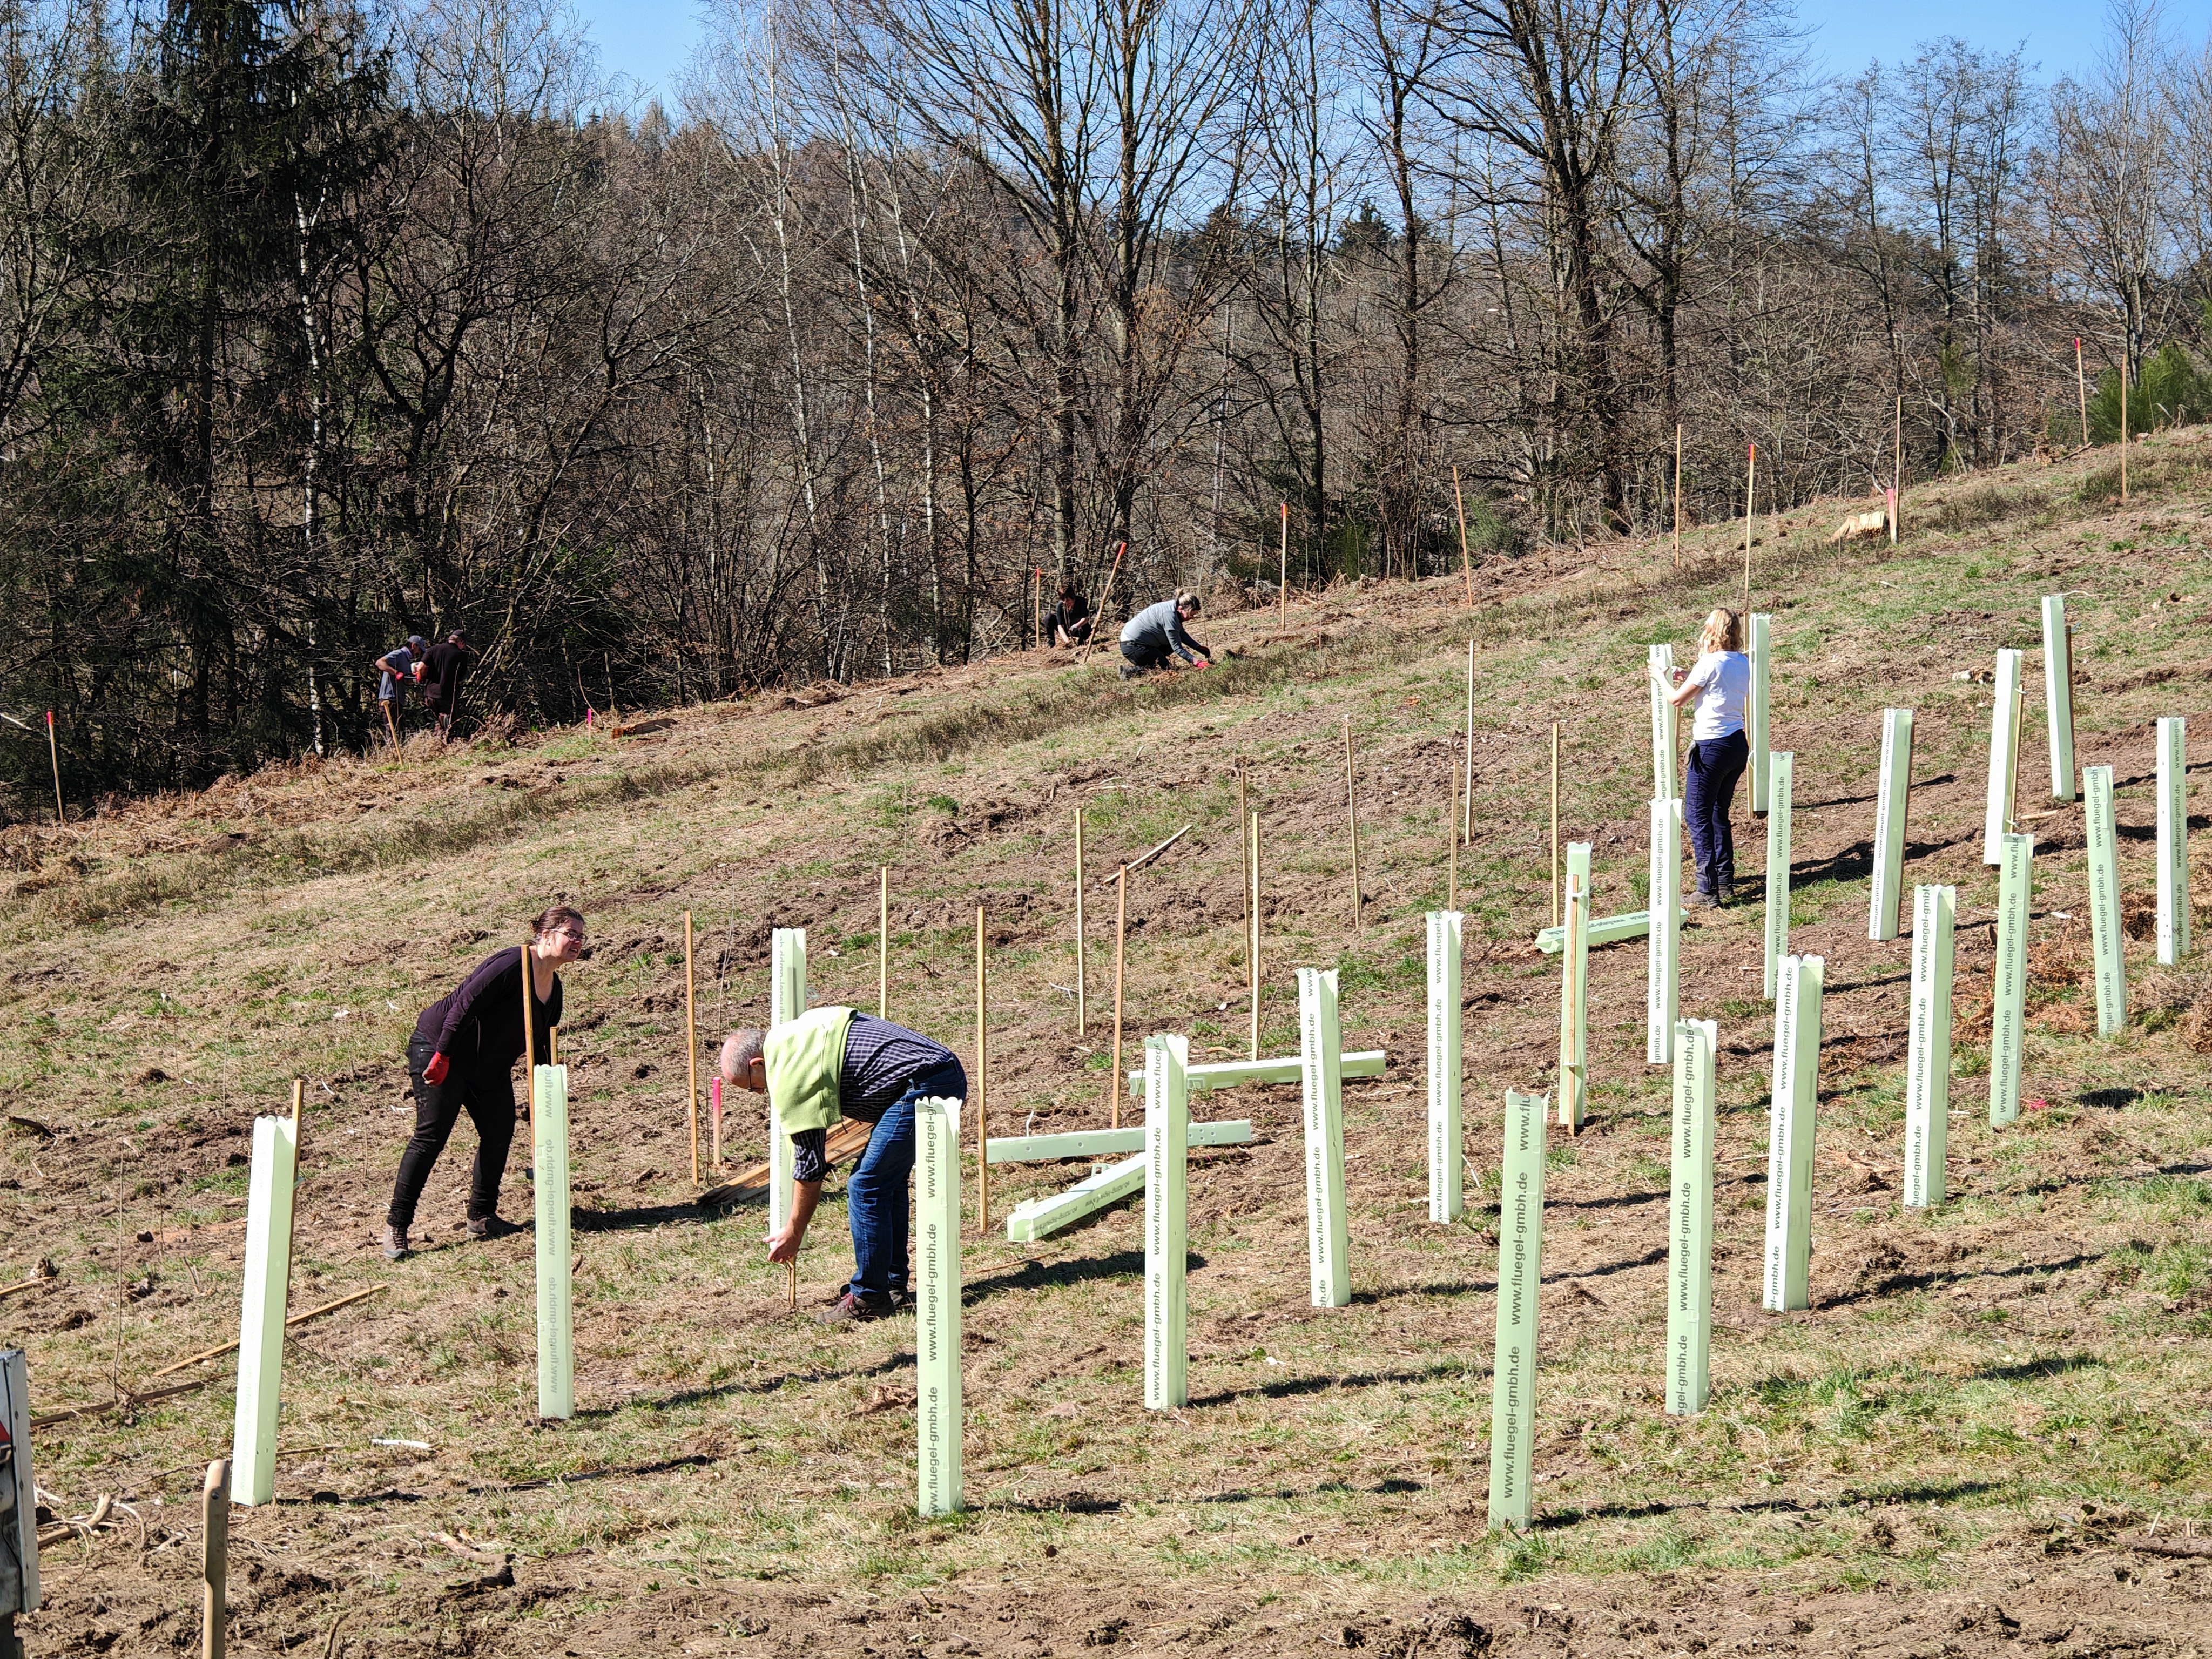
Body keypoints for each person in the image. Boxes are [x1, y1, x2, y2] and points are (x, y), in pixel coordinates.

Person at [720, 1009, 966, 1324]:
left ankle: (869, 1296)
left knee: (866, 1185)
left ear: (758, 1064)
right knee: (885, 1182)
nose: (762, 1094)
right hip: (939, 1071)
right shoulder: (799, 1034)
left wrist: (794, 1232)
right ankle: (889, 1284)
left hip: (925, 1085)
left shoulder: (789, 1070)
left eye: (754, 1088)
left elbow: (810, 1168)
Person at [383, 906, 584, 1259]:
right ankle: (397, 1227)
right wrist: (442, 1055)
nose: (577, 942)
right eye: (571, 934)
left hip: (487, 1068)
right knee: (431, 1137)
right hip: (442, 1049)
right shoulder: (511, 964)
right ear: (546, 933)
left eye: (581, 937)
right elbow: (464, 1005)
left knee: (499, 1130)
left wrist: (547, 1093)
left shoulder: (554, 992)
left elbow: (540, 1049)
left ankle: (481, 1216)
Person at [1660, 607, 1750, 907]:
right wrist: (1690, 677)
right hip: (1737, 745)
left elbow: (1676, 700)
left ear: (1711, 631)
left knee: (1696, 815)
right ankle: (1725, 880)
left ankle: (1707, 889)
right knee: (1718, 812)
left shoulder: (1709, 662)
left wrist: (1662, 679)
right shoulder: (1742, 662)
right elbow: (1718, 688)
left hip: (1711, 747)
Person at [1117, 589, 1211, 680]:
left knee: (1165, 655)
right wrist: (1197, 662)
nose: (1193, 618)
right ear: (1181, 609)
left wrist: (1198, 647)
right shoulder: (1169, 616)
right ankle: (1128, 672)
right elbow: (1177, 648)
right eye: (1191, 615)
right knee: (1168, 670)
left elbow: (1181, 634)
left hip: (1138, 642)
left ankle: (1146, 664)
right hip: (1133, 645)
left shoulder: (1173, 608)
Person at [420, 628, 470, 739]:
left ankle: (432, 746)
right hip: (447, 696)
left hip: (430, 695)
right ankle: (443, 746)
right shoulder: (461, 655)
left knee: (435, 722)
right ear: (461, 642)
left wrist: (422, 678)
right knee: (449, 725)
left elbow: (421, 667)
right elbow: (459, 680)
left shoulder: (433, 649)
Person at [1047, 583, 1093, 647]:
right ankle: (1051, 644)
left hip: (1079, 628)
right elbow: (1060, 626)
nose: (1066, 603)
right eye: (1063, 601)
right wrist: (1067, 641)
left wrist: (1076, 626)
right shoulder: (1060, 606)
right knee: (1048, 618)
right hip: (1066, 629)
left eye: (1068, 600)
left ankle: (1082, 642)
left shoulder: (1081, 601)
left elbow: (1085, 618)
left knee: (1086, 628)